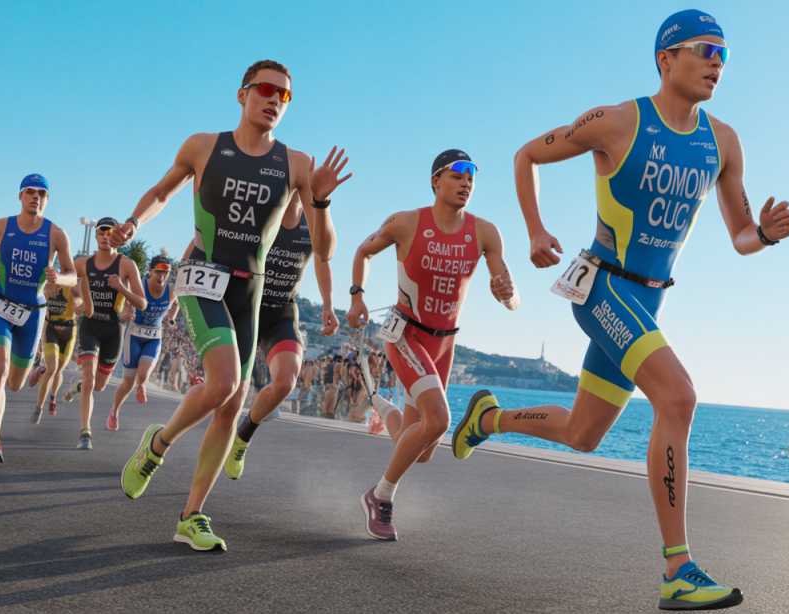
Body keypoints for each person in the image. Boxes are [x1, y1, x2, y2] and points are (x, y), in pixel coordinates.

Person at [452, 11, 789, 610]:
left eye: (725, 54)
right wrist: (535, 230)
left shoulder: (723, 142)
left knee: (584, 434)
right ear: (666, 58)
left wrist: (763, 234)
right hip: (603, 289)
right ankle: (678, 571)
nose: (717, 63)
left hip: (650, 299)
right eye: (705, 49)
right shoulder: (616, 122)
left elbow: (741, 234)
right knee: (678, 397)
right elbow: (526, 155)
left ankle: (488, 419)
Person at [115, 59, 350, 551]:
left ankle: (191, 516)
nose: (274, 99)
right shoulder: (204, 146)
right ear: (242, 94)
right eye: (266, 89)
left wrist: (321, 202)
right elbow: (161, 191)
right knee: (221, 383)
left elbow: (325, 250)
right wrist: (134, 222)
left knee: (230, 406)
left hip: (250, 291)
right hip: (204, 276)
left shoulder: (297, 163)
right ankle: (158, 445)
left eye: (284, 95)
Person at [346, 149, 519, 541]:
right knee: (438, 420)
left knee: (422, 449)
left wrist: (508, 296)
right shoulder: (405, 222)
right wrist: (357, 297)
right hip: (406, 335)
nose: (467, 182)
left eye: (472, 176)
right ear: (435, 181)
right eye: (458, 174)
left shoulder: (485, 232)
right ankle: (380, 496)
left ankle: (384, 409)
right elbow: (363, 251)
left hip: (444, 345)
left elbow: (512, 297)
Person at [0, 174, 77, 463]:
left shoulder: (57, 234)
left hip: (33, 313)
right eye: (30, 191)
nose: (35, 196)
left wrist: (59, 278)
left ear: (47, 199)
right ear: (20, 195)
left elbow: (73, 275)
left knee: (15, 384)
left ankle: (35, 370)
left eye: (42, 193)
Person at [223, 210, 339, 479]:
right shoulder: (264, 207)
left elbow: (322, 258)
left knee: (285, 383)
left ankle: (243, 436)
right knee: (228, 396)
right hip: (246, 307)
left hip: (282, 312)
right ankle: (167, 443)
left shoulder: (313, 218)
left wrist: (328, 304)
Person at [65, 217, 146, 449]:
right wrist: (81, 299)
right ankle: (85, 433)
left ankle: (78, 385)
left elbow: (142, 303)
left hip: (113, 330)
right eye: (101, 232)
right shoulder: (83, 263)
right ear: (96, 235)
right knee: (89, 378)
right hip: (90, 326)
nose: (105, 236)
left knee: (99, 386)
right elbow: (68, 281)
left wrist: (121, 288)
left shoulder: (126, 265)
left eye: (110, 232)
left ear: (117, 237)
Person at [106, 254, 179, 430]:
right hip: (134, 335)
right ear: (150, 271)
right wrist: (123, 311)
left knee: (144, 373)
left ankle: (142, 384)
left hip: (154, 337)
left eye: (166, 273)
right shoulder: (140, 285)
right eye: (158, 272)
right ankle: (114, 412)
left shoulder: (172, 290)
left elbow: (176, 303)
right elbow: (121, 299)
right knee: (127, 384)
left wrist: (172, 318)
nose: (162, 277)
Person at [28, 281, 83, 421]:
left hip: (69, 330)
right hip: (51, 327)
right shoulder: (48, 282)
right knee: (51, 368)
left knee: (58, 370)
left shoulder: (74, 284)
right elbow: (36, 300)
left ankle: (52, 398)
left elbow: (85, 303)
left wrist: (79, 304)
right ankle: (38, 408)